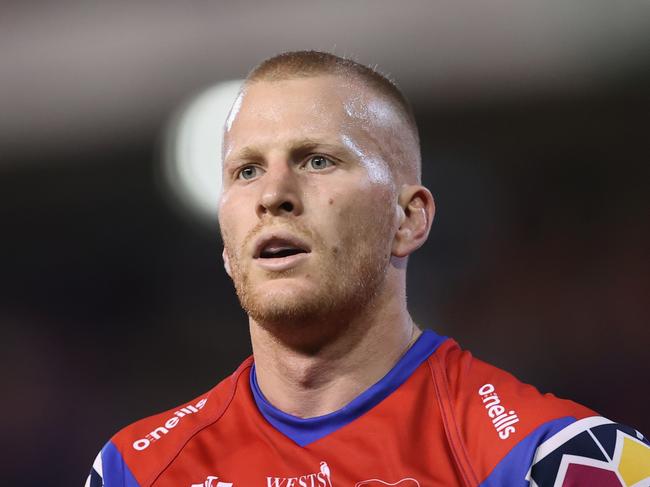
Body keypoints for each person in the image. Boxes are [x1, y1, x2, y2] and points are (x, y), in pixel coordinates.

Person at [85, 51, 650, 487]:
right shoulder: (135, 470)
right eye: (247, 171)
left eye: (319, 160)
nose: (274, 194)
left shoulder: (553, 460)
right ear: (227, 245)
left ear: (408, 220)